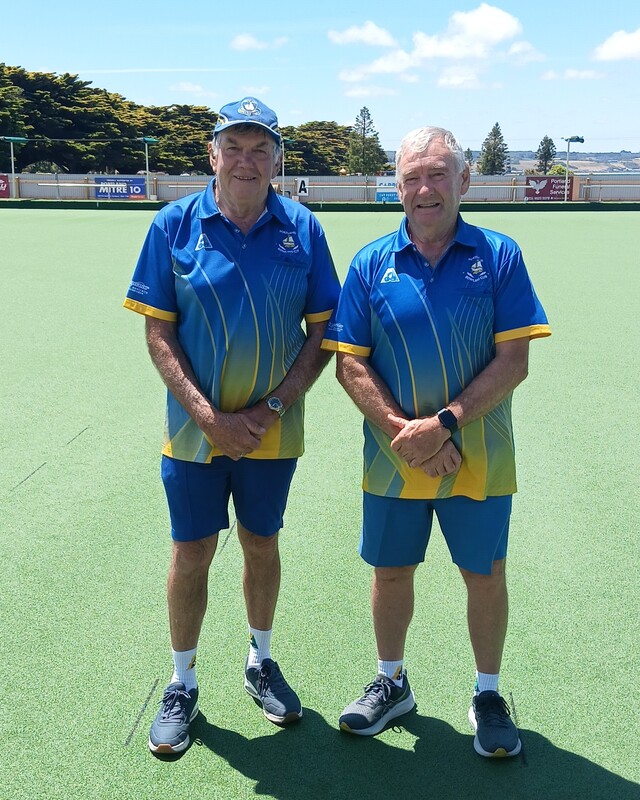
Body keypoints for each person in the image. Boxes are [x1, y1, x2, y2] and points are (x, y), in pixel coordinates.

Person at [321, 126, 551, 757]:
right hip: (394, 457)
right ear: (397, 187)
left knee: (485, 573)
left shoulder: (500, 256)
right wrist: (409, 436)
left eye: (438, 174)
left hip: (480, 455)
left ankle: (487, 693)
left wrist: (443, 424)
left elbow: (514, 362)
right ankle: (391, 682)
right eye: (412, 178)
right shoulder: (370, 262)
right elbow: (349, 364)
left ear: (464, 180)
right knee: (392, 571)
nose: (425, 189)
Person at [123, 97, 340, 755]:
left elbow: (322, 333)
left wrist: (270, 409)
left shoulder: (303, 229)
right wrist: (208, 416)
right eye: (234, 147)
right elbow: (158, 333)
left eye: (260, 149)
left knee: (260, 543)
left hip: (272, 433)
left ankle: (260, 660)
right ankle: (182, 681)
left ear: (277, 159)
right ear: (212, 154)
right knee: (191, 552)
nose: (247, 161)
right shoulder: (173, 224)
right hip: (194, 433)